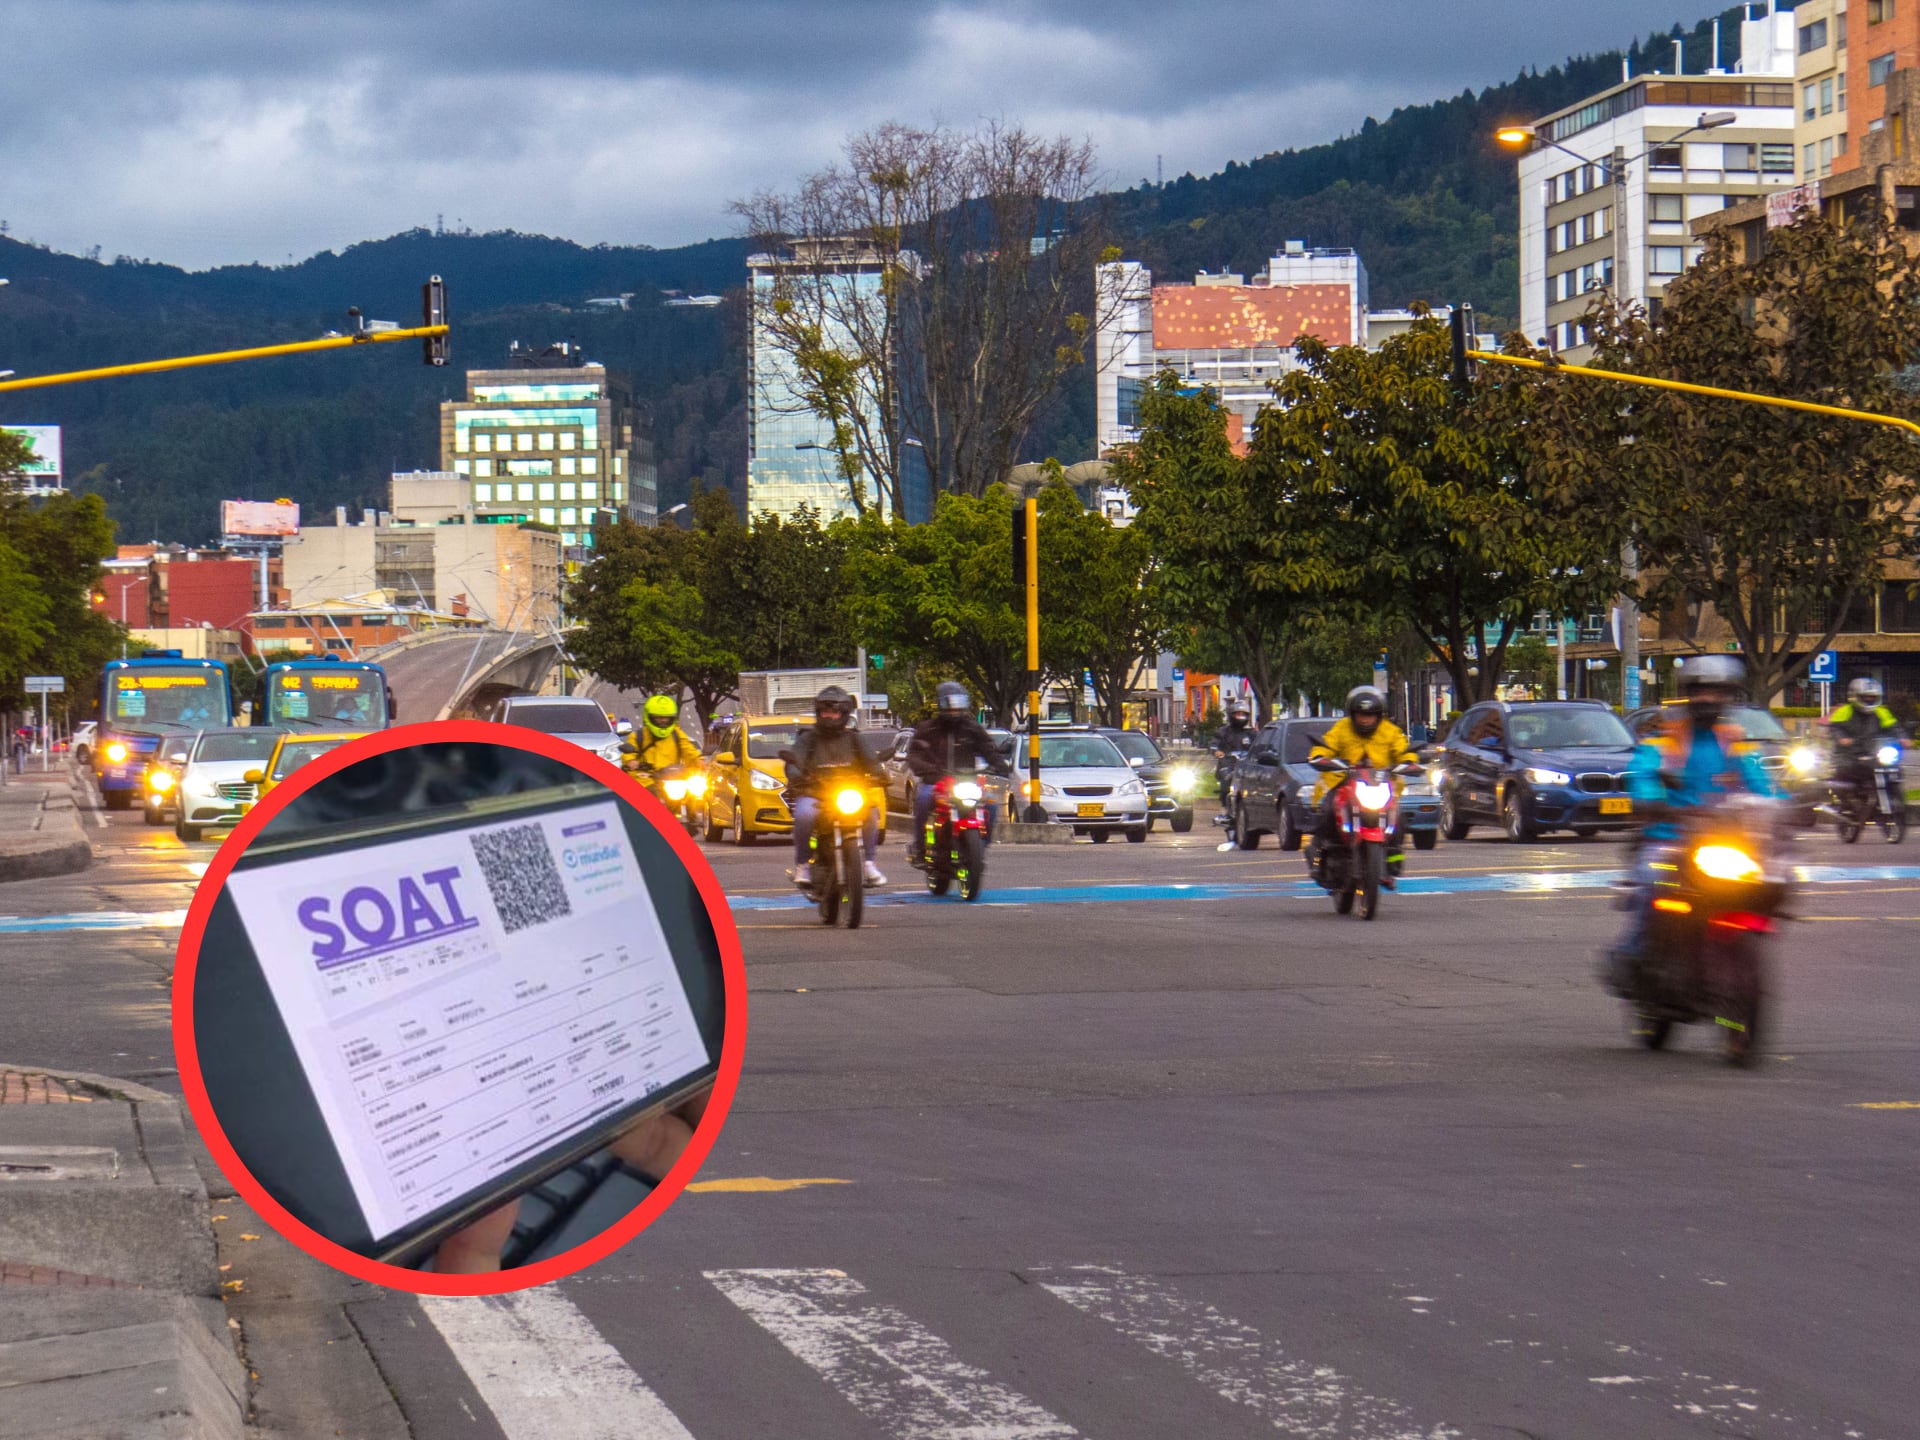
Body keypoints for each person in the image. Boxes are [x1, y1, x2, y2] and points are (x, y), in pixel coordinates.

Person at [1603, 654, 1774, 994]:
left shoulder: (1734, 740)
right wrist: (1651, 798)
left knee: (1763, 880)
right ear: (1689, 694)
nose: (1709, 699)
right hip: (1667, 839)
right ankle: (1631, 956)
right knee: (1652, 881)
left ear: (1729, 697)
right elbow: (1645, 773)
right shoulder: (1667, 737)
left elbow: (1761, 784)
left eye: (1717, 692)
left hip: (1723, 841)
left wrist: (1787, 806)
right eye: (1701, 691)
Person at [1307, 686, 1419, 887]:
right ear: (1352, 715)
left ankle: (1392, 864)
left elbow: (1403, 751)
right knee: (1326, 813)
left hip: (1381, 785)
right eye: (1361, 715)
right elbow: (1326, 745)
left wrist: (1410, 762)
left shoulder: (1390, 731)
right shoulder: (1341, 729)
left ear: (1379, 716)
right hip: (1345, 783)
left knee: (1399, 820)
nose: (1365, 720)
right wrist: (1319, 757)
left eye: (1370, 715)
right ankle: (1317, 858)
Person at [785, 685, 888, 888]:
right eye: (825, 712)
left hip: (849, 793)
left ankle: (868, 863)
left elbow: (871, 761)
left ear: (844, 714)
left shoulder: (855, 738)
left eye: (834, 712)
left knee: (871, 813)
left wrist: (880, 773)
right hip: (815, 793)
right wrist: (796, 775)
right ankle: (803, 865)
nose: (829, 716)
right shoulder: (808, 738)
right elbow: (794, 761)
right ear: (818, 713)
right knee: (804, 815)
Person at [905, 681, 1008, 865]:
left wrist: (999, 765)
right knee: (923, 800)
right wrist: (928, 769)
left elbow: (989, 749)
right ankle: (920, 848)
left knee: (991, 804)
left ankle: (980, 848)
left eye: (958, 704)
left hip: (966, 782)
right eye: (950, 705)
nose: (954, 710)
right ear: (941, 705)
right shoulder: (928, 729)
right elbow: (914, 755)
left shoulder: (972, 728)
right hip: (935, 781)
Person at [1825, 677, 1902, 790]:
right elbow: (1835, 728)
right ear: (1854, 696)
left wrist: (1903, 738)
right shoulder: (1844, 711)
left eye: (1872, 697)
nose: (1869, 700)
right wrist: (1843, 738)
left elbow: (1894, 727)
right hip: (1849, 755)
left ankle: (1897, 799)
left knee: (1895, 771)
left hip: (1874, 755)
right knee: (1843, 777)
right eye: (1865, 697)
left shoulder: (1882, 712)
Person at [625, 694, 701, 775]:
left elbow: (688, 750)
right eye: (658, 718)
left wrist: (699, 762)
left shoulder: (677, 734)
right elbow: (629, 754)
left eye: (666, 718)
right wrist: (631, 761)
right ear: (649, 717)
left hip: (673, 779)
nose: (663, 721)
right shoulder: (637, 736)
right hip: (645, 779)